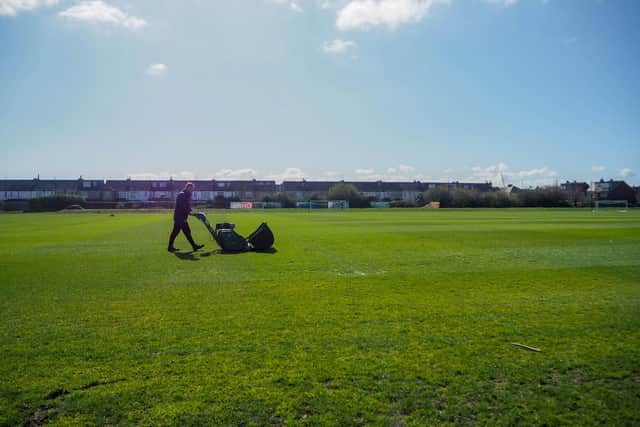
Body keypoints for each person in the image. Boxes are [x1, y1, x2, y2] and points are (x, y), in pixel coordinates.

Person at [168, 182, 204, 252]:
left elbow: (187, 206)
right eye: (191, 188)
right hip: (180, 217)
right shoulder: (182, 195)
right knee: (187, 231)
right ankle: (194, 246)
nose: (192, 190)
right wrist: (191, 213)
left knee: (175, 232)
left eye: (192, 189)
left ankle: (170, 247)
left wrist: (192, 212)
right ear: (187, 187)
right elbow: (183, 206)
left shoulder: (187, 195)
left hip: (180, 217)